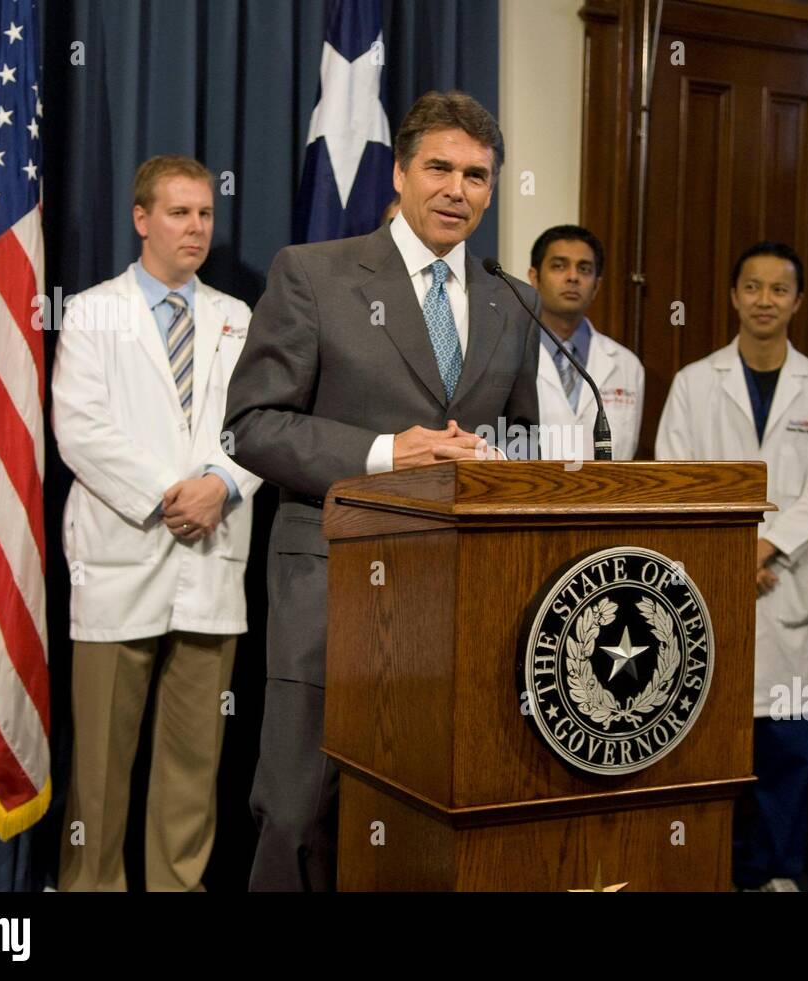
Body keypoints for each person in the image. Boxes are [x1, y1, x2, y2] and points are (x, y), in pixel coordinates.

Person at [225, 90, 540, 891]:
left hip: (461, 597)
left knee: (424, 812)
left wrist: (501, 464)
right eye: (438, 167)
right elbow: (252, 425)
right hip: (331, 577)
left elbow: (522, 439)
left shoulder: (513, 298)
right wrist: (380, 452)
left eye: (476, 175)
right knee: (299, 808)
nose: (456, 190)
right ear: (399, 173)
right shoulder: (315, 274)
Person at [52, 155, 262, 891]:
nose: (197, 228)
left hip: (210, 561)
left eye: (205, 213)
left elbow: (260, 425)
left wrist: (222, 486)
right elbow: (80, 428)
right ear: (142, 219)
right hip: (121, 558)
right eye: (179, 213)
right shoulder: (90, 310)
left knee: (192, 769)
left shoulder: (239, 317)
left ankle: (179, 886)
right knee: (101, 772)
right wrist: (172, 494)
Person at [655, 241, 808, 891]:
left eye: (779, 289)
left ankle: (777, 869)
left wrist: (766, 546)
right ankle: (708, 864)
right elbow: (674, 475)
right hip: (714, 583)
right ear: (733, 296)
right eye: (752, 286)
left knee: (787, 747)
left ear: (798, 301)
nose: (764, 300)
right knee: (706, 741)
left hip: (788, 586)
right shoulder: (695, 382)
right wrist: (731, 550)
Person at [528, 225, 644, 461]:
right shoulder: (509, 355)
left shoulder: (627, 365)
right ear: (534, 278)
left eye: (584, 269)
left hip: (607, 497)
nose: (573, 277)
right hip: (529, 496)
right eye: (559, 266)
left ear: (596, 286)